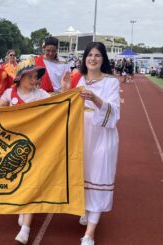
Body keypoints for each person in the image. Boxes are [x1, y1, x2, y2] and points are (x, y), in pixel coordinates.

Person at [63, 42, 120, 245]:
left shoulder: (111, 82)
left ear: (103, 59)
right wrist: (64, 89)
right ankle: (86, 209)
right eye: (89, 55)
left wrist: (95, 99)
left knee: (98, 176)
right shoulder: (79, 80)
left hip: (102, 135)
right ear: (84, 58)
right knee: (83, 174)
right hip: (81, 133)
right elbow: (67, 105)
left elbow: (114, 112)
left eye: (97, 55)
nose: (93, 59)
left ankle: (89, 234)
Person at [0, 57, 50, 244]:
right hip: (13, 148)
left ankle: (26, 228)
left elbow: (60, 104)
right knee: (17, 180)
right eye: (30, 76)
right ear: (20, 77)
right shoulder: (9, 93)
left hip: (36, 145)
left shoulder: (41, 95)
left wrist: (65, 89)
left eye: (36, 77)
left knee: (31, 182)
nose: (35, 80)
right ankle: (22, 208)